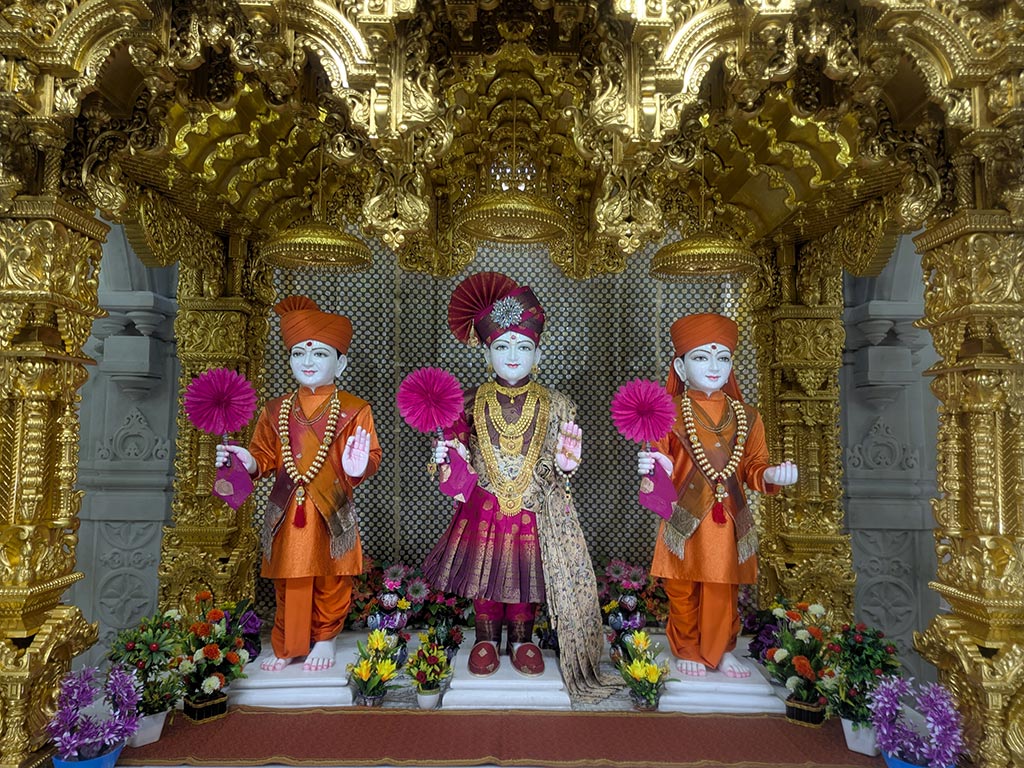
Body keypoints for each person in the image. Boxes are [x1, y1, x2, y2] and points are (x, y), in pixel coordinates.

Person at [422, 272, 610, 698]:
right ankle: (486, 637)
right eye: (502, 346)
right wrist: (443, 461)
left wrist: (565, 464)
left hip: (535, 507)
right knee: (484, 575)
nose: (513, 355)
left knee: (529, 576)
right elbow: (451, 461)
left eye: (523, 346)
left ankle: (524, 639)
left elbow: (568, 462)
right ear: (487, 352)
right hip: (483, 505)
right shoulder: (466, 402)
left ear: (538, 352)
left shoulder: (559, 404)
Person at [215, 296, 381, 672]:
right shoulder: (275, 409)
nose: (307, 363)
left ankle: (325, 638)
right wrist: (249, 461)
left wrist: (360, 465)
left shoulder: (356, 408)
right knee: (288, 574)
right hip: (287, 507)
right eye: (298, 354)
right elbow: (265, 457)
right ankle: (289, 643)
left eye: (319, 354)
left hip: (331, 504)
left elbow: (369, 456)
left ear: (341, 362)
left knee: (331, 574)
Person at [636, 313, 797, 678]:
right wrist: (652, 464)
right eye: (701, 357)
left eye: (722, 358)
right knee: (682, 587)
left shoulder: (749, 417)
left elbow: (755, 466)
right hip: (684, 516)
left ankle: (722, 649)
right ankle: (689, 648)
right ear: (680, 364)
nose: (713, 366)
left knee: (723, 587)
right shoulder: (667, 413)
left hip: (729, 519)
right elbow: (656, 469)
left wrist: (771, 473)